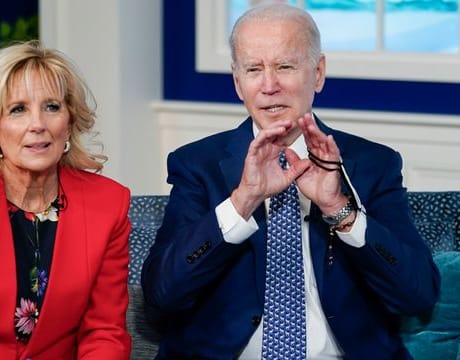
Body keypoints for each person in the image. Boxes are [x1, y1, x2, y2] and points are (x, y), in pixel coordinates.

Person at [141, 4, 440, 359]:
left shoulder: (372, 164)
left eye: (285, 66)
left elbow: (417, 295)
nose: (269, 86)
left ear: (317, 73)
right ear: (238, 82)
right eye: (254, 69)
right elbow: (162, 294)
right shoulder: (197, 165)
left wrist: (339, 209)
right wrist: (242, 203)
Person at [0, 41, 131, 359]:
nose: (38, 125)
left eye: (52, 107)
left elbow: (104, 333)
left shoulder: (109, 204)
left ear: (69, 123)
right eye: (18, 109)